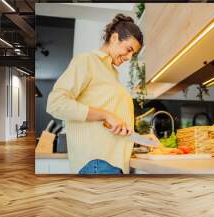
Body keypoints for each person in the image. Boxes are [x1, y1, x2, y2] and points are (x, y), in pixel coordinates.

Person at [47, 14, 143, 174]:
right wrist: (105, 115)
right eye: (129, 49)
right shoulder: (87, 61)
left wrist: (140, 139)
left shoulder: (111, 74)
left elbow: (109, 127)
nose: (129, 57)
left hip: (110, 163)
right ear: (114, 38)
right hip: (98, 163)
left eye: (133, 54)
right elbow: (55, 103)